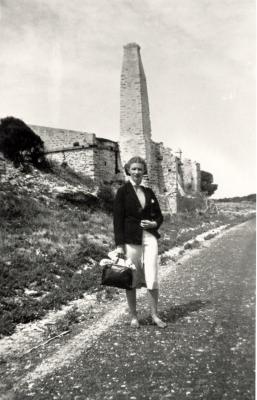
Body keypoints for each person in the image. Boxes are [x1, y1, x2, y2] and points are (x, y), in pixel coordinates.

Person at [113, 156, 167, 328]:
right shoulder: (122, 192)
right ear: (128, 171)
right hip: (130, 239)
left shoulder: (149, 192)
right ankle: (134, 316)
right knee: (132, 277)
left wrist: (154, 223)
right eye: (134, 169)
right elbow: (117, 220)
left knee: (152, 276)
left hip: (149, 237)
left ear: (144, 172)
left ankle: (154, 315)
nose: (137, 172)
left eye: (140, 169)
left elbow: (159, 215)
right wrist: (119, 245)